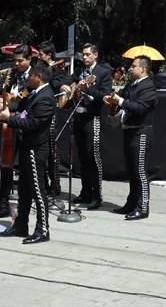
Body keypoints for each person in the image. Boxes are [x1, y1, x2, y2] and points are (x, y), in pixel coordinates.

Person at [0, 61, 55, 244]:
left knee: (38, 191)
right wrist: (6, 106)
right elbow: (20, 108)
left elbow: (32, 123)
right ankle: (21, 224)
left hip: (36, 149)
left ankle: (43, 229)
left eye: (31, 76)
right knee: (24, 190)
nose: (28, 79)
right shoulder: (34, 94)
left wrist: (8, 120)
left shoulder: (46, 97)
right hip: (25, 147)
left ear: (38, 77)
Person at [105, 56, 158, 220]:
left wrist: (120, 101)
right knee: (132, 170)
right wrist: (112, 100)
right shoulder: (131, 85)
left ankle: (143, 207)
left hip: (141, 132)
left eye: (133, 66)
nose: (130, 69)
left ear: (143, 69)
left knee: (140, 171)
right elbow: (123, 99)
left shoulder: (148, 86)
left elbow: (140, 108)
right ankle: (131, 202)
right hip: (128, 130)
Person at [60, 43, 112, 209]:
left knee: (93, 157)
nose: (85, 57)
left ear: (96, 55)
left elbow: (104, 95)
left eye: (88, 54)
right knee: (82, 157)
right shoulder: (80, 70)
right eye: (83, 55)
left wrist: (88, 88)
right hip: (78, 116)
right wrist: (65, 85)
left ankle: (97, 196)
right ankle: (85, 192)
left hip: (93, 118)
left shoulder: (103, 72)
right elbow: (68, 80)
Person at [0, 44, 33, 218]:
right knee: (6, 165)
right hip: (9, 123)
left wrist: (12, 105)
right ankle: (2, 204)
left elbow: (28, 99)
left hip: (25, 124)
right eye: (15, 60)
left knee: (25, 167)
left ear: (29, 59)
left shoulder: (35, 76)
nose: (17, 64)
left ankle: (25, 205)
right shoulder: (12, 74)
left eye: (20, 61)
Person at [37, 41, 66, 198]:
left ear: (48, 55)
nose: (39, 57)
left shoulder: (57, 69)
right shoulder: (39, 68)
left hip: (50, 112)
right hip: (38, 112)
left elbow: (59, 83)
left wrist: (51, 71)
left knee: (51, 151)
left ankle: (55, 186)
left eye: (41, 54)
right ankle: (43, 184)